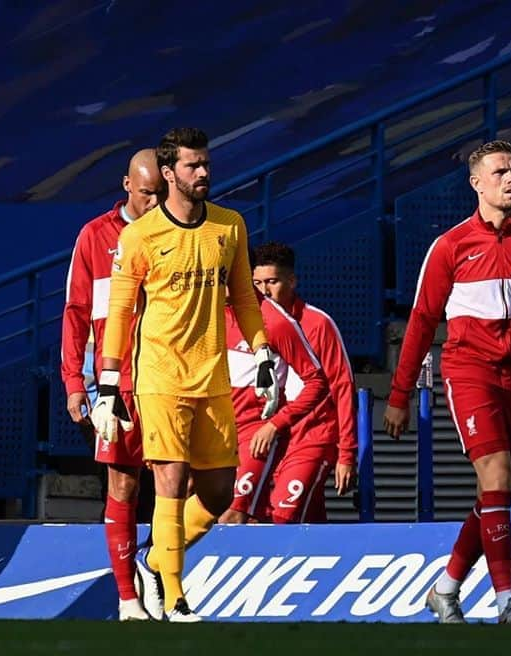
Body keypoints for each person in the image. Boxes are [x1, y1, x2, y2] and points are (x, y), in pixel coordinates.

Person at [383, 140, 511, 625]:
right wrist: (398, 396)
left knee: (495, 491)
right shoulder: (451, 246)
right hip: (469, 373)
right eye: (500, 172)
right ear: (476, 182)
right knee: (496, 477)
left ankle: (446, 589)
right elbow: (421, 323)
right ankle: (506, 601)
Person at [91, 128, 280, 622]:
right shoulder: (139, 236)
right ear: (170, 173)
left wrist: (261, 353)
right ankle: (175, 597)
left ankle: (154, 559)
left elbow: (243, 296)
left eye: (206, 164)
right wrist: (108, 386)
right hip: (158, 376)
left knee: (219, 492)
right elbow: (120, 312)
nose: (204, 173)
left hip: (213, 377)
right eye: (193, 166)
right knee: (170, 482)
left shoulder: (229, 226)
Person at [61, 149, 163, 621]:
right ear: (126, 185)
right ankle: (128, 598)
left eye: (160, 194)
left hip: (170, 379)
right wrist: (74, 382)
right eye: (145, 193)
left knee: (180, 483)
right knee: (123, 485)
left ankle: (165, 574)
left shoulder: (180, 232)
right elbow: (76, 314)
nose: (153, 202)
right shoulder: (94, 236)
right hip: (115, 383)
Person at [220, 242, 350, 525]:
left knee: (280, 514)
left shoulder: (313, 324)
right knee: (276, 518)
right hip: (269, 437)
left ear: (291, 281)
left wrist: (347, 454)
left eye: (272, 282)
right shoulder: (230, 318)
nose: (265, 290)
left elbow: (340, 388)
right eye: (258, 282)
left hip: (309, 437)